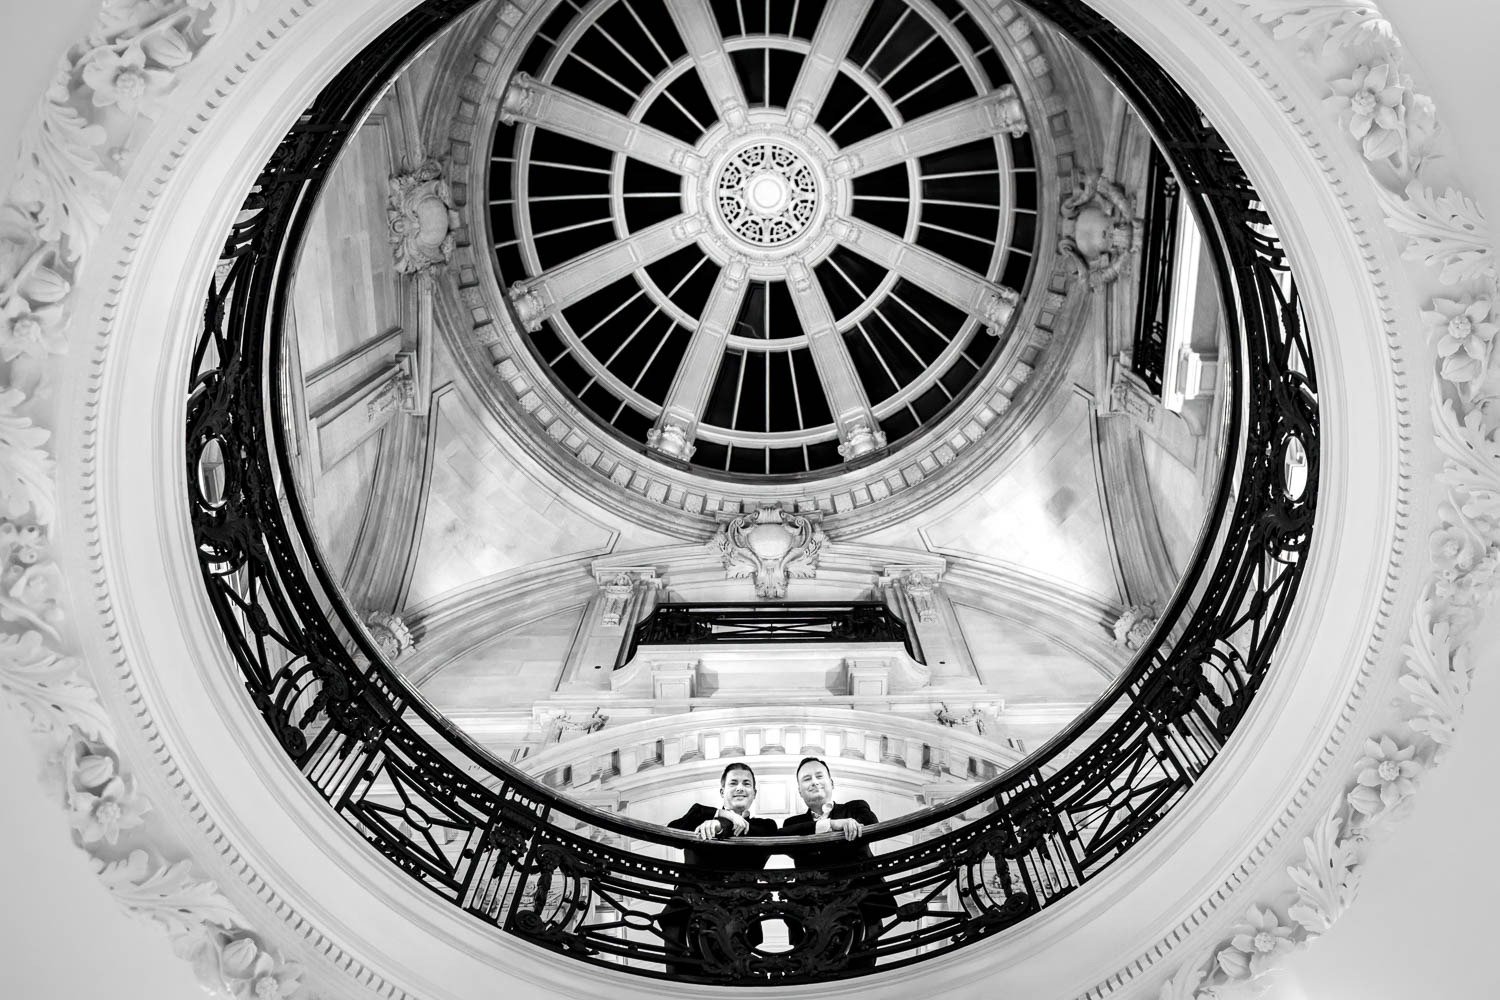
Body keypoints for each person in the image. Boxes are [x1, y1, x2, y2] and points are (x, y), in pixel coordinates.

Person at [780, 756, 897, 971]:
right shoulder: (794, 824)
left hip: (861, 907)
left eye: (819, 776)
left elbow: (871, 827)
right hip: (811, 916)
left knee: (860, 973)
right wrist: (831, 826)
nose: (814, 782)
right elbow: (783, 839)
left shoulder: (855, 808)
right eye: (806, 779)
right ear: (800, 791)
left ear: (831, 783)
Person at [661, 762, 778, 975]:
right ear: (723, 791)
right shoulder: (700, 815)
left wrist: (721, 823)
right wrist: (720, 815)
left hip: (739, 929)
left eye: (746, 784)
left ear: (754, 793)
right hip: (687, 925)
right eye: (733, 783)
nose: (740, 788)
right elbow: (672, 833)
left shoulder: (766, 826)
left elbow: (749, 834)